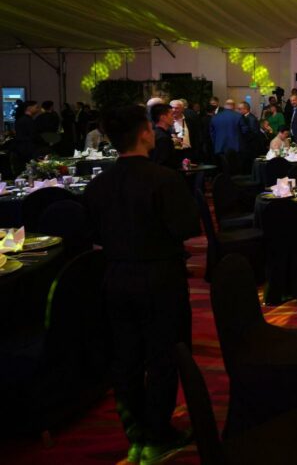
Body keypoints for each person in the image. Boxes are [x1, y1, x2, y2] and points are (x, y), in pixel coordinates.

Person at [84, 105, 200, 463]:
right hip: (160, 278)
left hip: (116, 277)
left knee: (126, 358)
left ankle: (135, 429)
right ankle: (158, 432)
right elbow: (186, 228)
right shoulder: (164, 179)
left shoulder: (98, 184)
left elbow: (94, 234)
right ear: (145, 133)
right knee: (164, 357)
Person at [149, 103, 177, 169]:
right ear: (163, 117)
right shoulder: (163, 138)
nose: (174, 117)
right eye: (172, 115)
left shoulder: (154, 133)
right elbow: (163, 162)